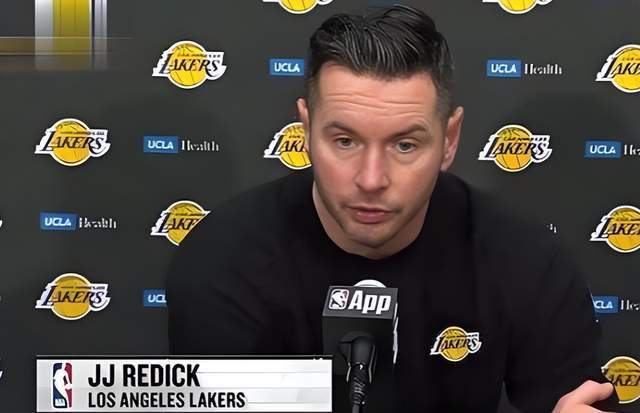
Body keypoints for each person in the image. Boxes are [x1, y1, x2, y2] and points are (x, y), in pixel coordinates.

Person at [167, 5, 616, 412]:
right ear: (305, 130)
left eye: (405, 145)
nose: (371, 179)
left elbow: (577, 402)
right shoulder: (224, 260)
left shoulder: (524, 258)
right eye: (345, 141)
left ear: (449, 140)